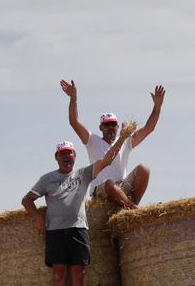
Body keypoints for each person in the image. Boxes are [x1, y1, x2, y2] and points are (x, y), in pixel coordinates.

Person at [22, 134, 129, 286]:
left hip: (79, 229)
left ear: (75, 156)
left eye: (69, 153)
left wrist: (122, 138)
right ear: (56, 157)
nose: (66, 157)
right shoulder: (47, 179)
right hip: (55, 231)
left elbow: (108, 160)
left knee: (78, 273)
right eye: (62, 154)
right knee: (59, 273)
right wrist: (38, 218)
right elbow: (27, 200)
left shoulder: (84, 174)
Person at [60, 79, 165, 209]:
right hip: (101, 189)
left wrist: (157, 107)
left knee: (144, 169)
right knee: (109, 184)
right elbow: (74, 122)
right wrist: (73, 99)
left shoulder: (126, 141)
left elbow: (149, 128)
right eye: (107, 124)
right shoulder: (92, 141)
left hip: (121, 188)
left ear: (117, 127)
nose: (110, 127)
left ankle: (131, 207)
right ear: (101, 127)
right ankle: (133, 210)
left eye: (113, 124)